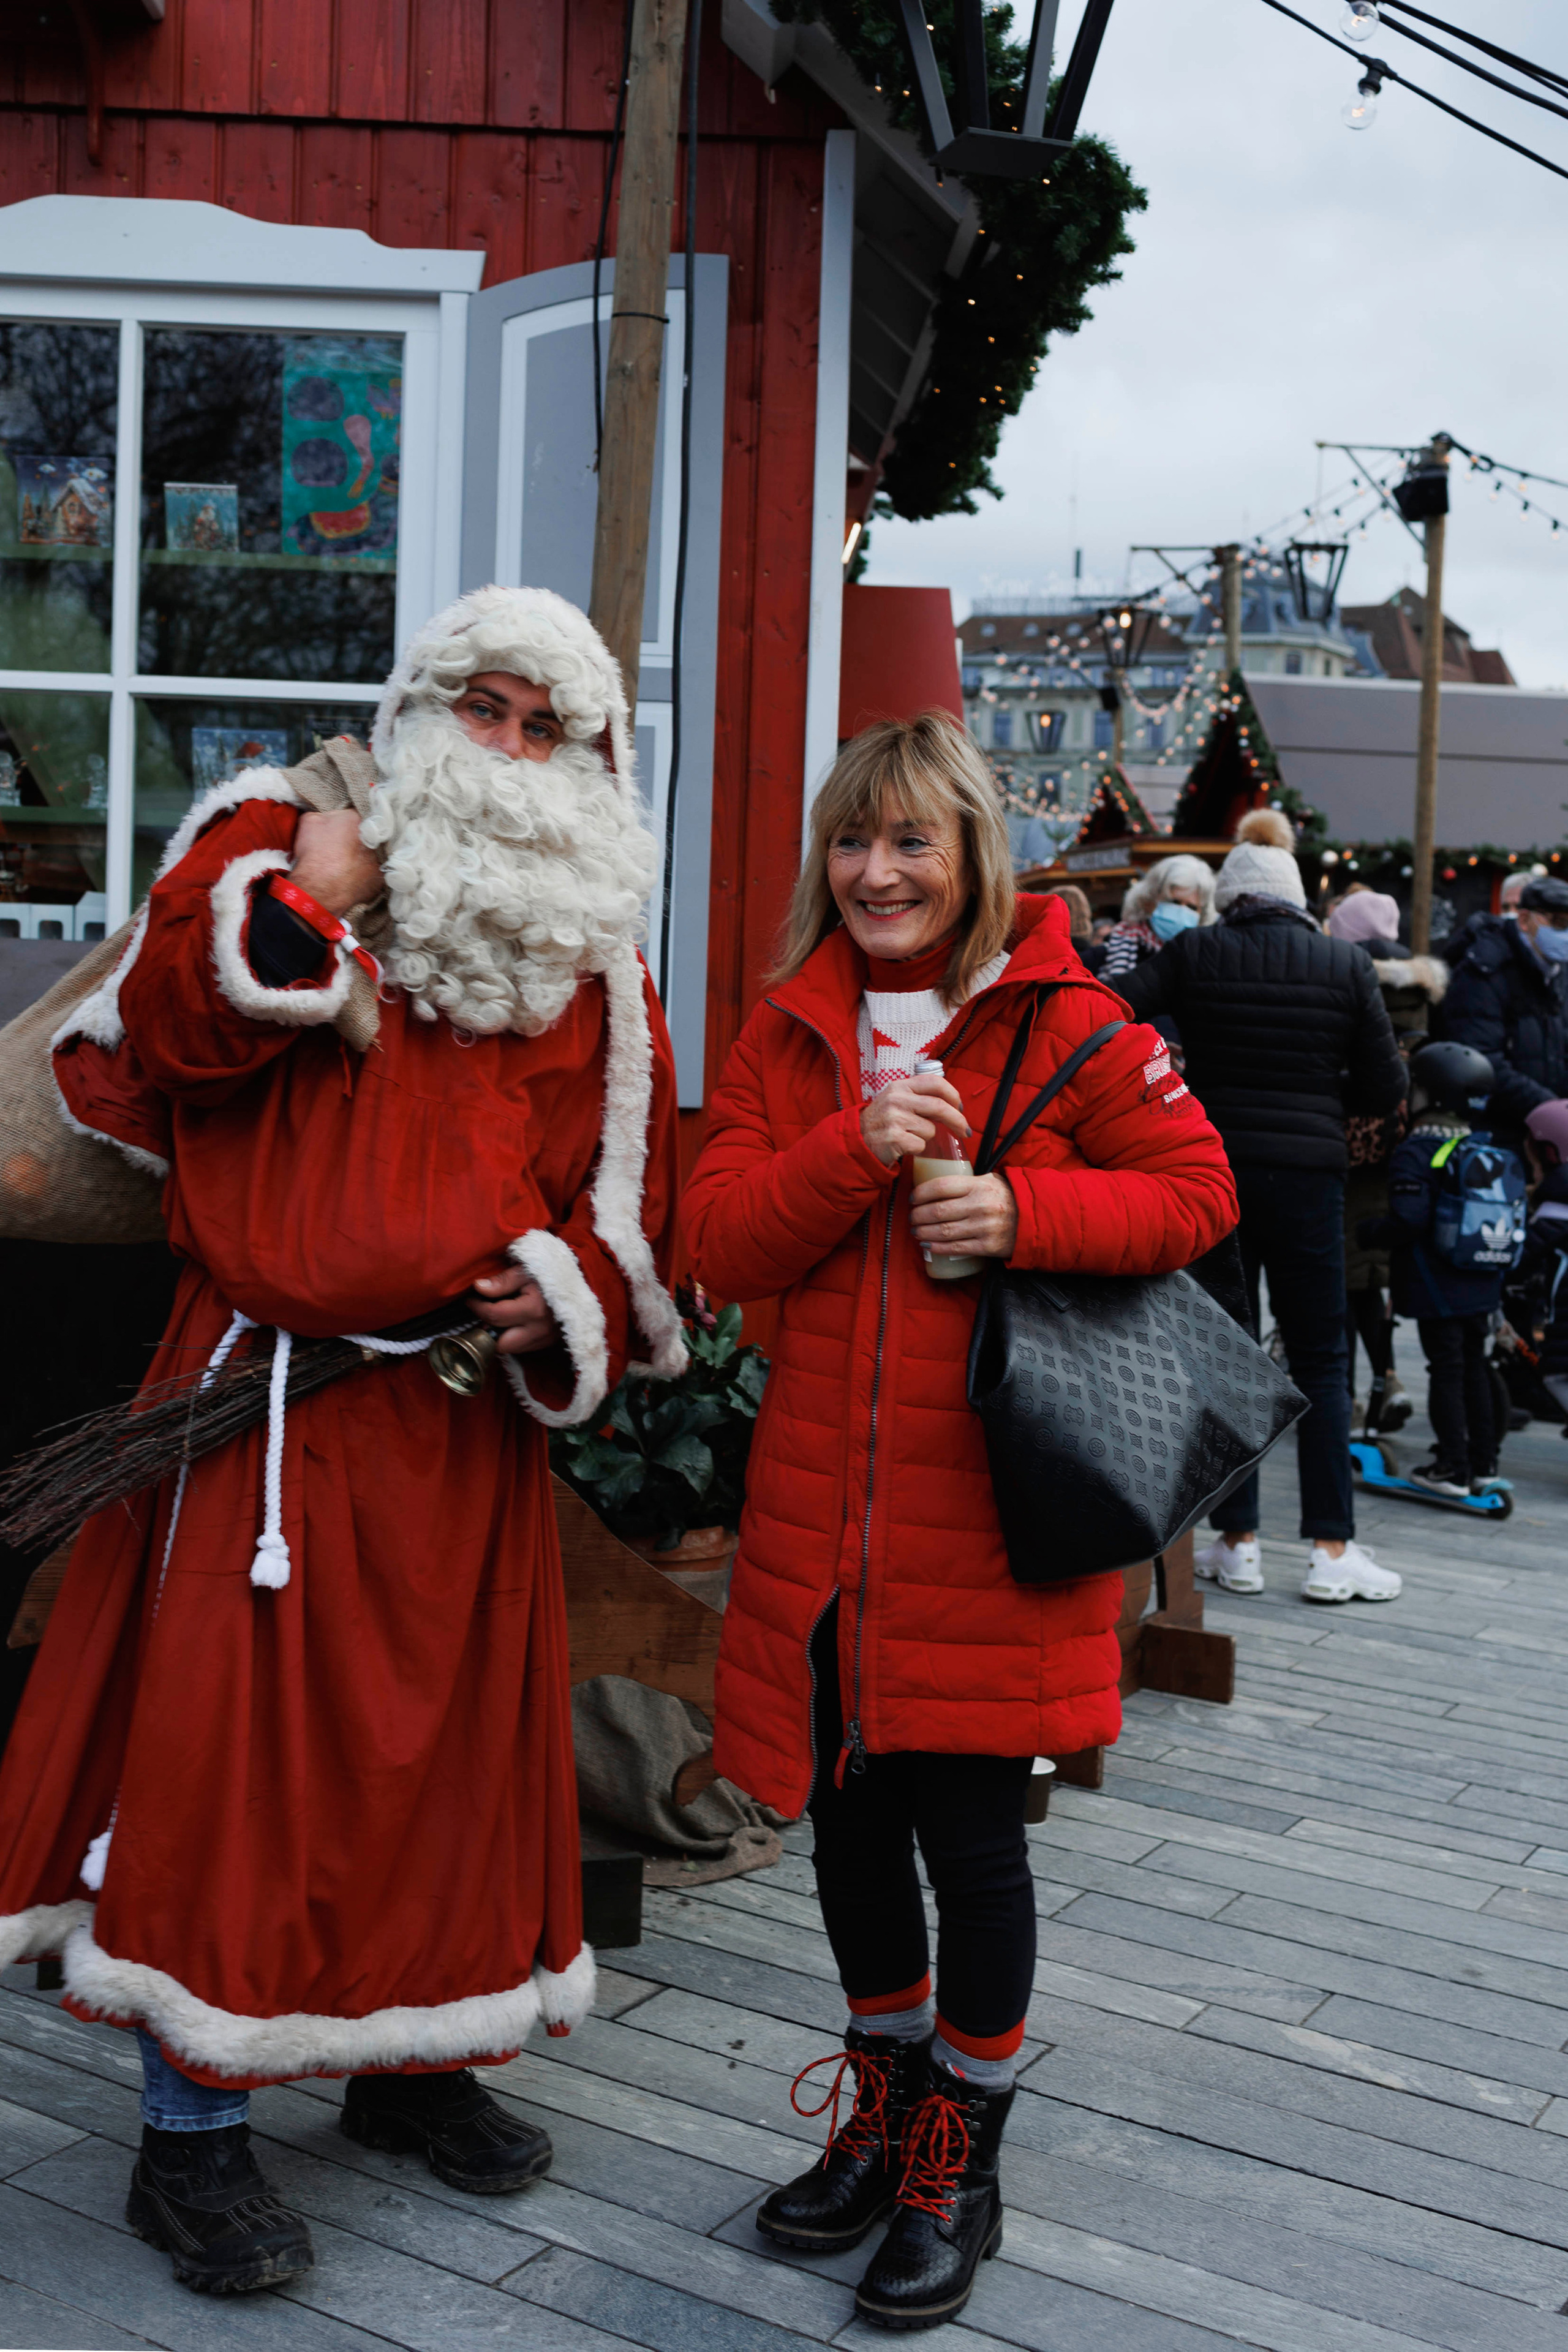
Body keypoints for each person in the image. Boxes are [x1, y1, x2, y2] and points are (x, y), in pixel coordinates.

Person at [0, 585, 685, 2294]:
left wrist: (567, 1292)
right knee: (234, 1775)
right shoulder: (274, 835)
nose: (514, 748)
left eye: (551, 726)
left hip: (452, 1422)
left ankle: (415, 2068)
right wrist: (319, 898)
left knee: (445, 1768)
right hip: (270, 1410)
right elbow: (158, 1038)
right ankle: (195, 2136)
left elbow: (616, 1188)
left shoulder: (582, 938)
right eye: (489, 708)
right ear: (426, 704)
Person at [682, 712, 1235, 2333]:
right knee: (847, 1821)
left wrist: (1022, 1213)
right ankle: (883, 2106)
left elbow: (1200, 1195)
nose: (878, 871)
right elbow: (717, 1237)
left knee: (976, 1850)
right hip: (818, 1533)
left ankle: (960, 2162)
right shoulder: (793, 1035)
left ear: (973, 855)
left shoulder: (1072, 1025)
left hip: (995, 1527)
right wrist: (854, 1148)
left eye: (913, 839)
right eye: (854, 841)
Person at [1120, 808, 1407, 1605]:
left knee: (1228, 1352)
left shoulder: (1196, 951)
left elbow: (1114, 1009)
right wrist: (1320, 1102)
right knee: (1321, 1357)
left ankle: (1235, 1540)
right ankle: (1329, 1549)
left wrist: (1176, 1085)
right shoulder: (1344, 965)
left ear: (1232, 898)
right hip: (1313, 1178)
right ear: (1295, 898)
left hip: (1215, 1172)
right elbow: (1387, 1086)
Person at [1376, 1041, 1523, 1498]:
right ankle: (1484, 1466)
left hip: (1434, 1280)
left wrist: (1367, 1233)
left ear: (1429, 1095)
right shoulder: (1480, 1146)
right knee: (1474, 1367)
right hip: (1481, 1278)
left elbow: (1408, 1219)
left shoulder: (1417, 1151)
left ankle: (1451, 1467)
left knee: (1446, 1367)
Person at [1325, 887, 1448, 1436]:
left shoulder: (1348, 977)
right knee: (1375, 1277)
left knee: (1347, 1279)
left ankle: (1354, 1396)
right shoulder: (1421, 988)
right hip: (1404, 1149)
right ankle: (1387, 1380)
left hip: (1352, 1144)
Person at [1437, 875, 1568, 1146]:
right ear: (1524, 920)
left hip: (1549, 1135)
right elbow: (1480, 1062)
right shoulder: (1485, 969)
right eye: (1558, 923)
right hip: (1496, 1137)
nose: (1565, 934)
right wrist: (1551, 1110)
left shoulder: (1559, 971)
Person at [1097, 852, 1216, 983]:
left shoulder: (1207, 961)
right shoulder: (1105, 954)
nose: (1182, 911)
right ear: (1149, 900)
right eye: (1174, 902)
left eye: (1192, 908)